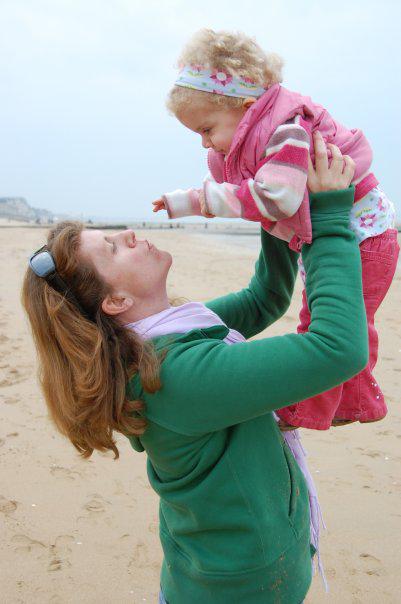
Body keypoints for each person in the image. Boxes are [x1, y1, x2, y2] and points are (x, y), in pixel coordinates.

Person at [23, 139, 367, 603]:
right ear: (116, 302)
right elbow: (338, 348)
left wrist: (272, 205)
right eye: (111, 248)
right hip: (239, 588)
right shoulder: (177, 375)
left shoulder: (158, 339)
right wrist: (328, 216)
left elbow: (265, 298)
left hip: (221, 573)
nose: (127, 233)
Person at [153, 28, 399, 431]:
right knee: (339, 320)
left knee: (331, 325)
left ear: (246, 107)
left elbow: (278, 199)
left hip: (366, 236)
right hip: (334, 237)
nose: (204, 144)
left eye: (207, 130)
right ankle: (350, 406)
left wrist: (197, 201)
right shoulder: (257, 141)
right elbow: (266, 217)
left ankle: (312, 409)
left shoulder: (286, 131)